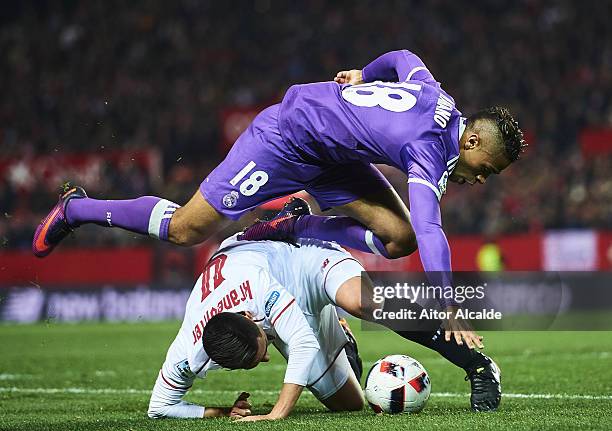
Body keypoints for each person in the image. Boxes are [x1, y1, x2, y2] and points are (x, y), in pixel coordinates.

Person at [33, 49, 525, 346]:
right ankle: (76, 208)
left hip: (335, 155)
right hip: (288, 139)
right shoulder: (430, 151)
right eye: (486, 171)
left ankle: (293, 225)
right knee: (187, 229)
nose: (480, 180)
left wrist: (365, 74)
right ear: (472, 142)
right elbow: (433, 227)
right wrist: (449, 305)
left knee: (397, 239)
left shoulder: (436, 95)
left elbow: (404, 58)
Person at [147, 201, 501, 420]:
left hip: (302, 261)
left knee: (364, 302)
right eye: (260, 360)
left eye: (262, 350)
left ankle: (478, 365)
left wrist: (277, 413)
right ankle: (344, 342)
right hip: (279, 304)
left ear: (250, 317)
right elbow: (160, 407)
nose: (269, 359)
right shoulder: (189, 351)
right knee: (349, 405)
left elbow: (301, 344)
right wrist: (218, 412)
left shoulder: (253, 285)